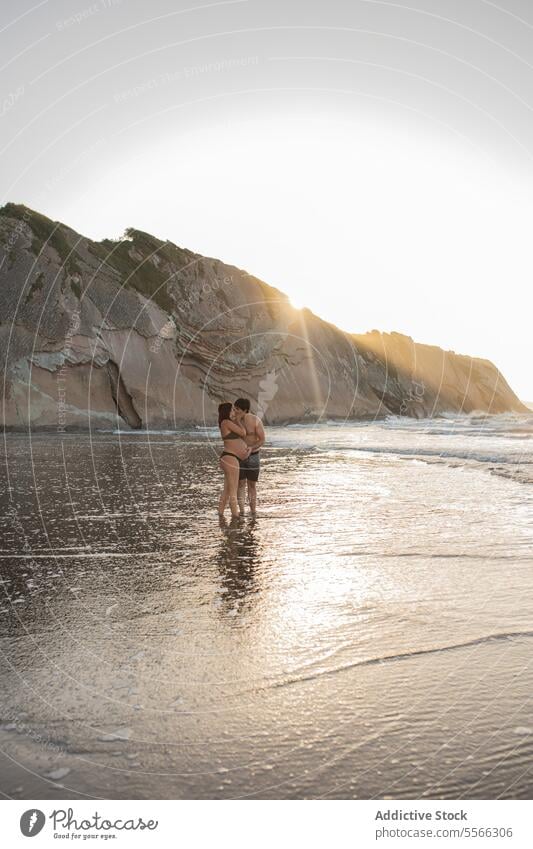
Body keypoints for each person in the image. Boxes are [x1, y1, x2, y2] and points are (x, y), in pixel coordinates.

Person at [218, 402, 250, 518]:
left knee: (227, 490)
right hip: (230, 458)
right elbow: (243, 432)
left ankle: (220, 514)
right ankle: (235, 516)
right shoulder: (226, 422)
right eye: (232, 410)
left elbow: (242, 433)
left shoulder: (227, 423)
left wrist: (236, 420)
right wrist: (237, 419)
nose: (234, 412)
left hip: (230, 458)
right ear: (227, 412)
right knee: (233, 490)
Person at [234, 398, 266, 515]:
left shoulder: (255, 420)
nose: (235, 411)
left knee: (252, 484)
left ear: (245, 410)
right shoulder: (233, 420)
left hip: (253, 455)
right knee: (240, 484)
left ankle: (253, 511)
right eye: (234, 408)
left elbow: (262, 439)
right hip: (239, 456)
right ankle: (242, 511)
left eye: (237, 409)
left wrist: (251, 448)